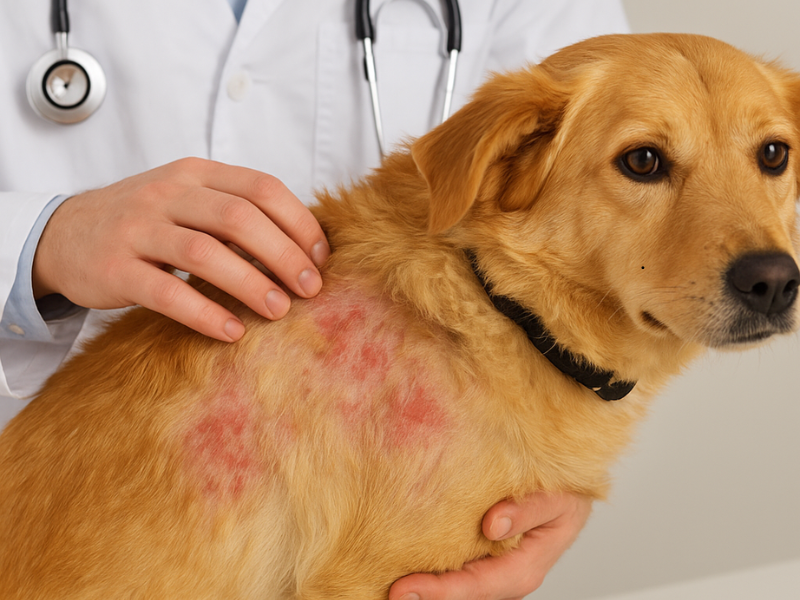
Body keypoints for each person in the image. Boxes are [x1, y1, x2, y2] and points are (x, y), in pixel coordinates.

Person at [0, 1, 629, 597]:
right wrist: (40, 239)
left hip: (425, 477)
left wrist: (557, 464)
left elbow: (610, 182)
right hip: (52, 501)